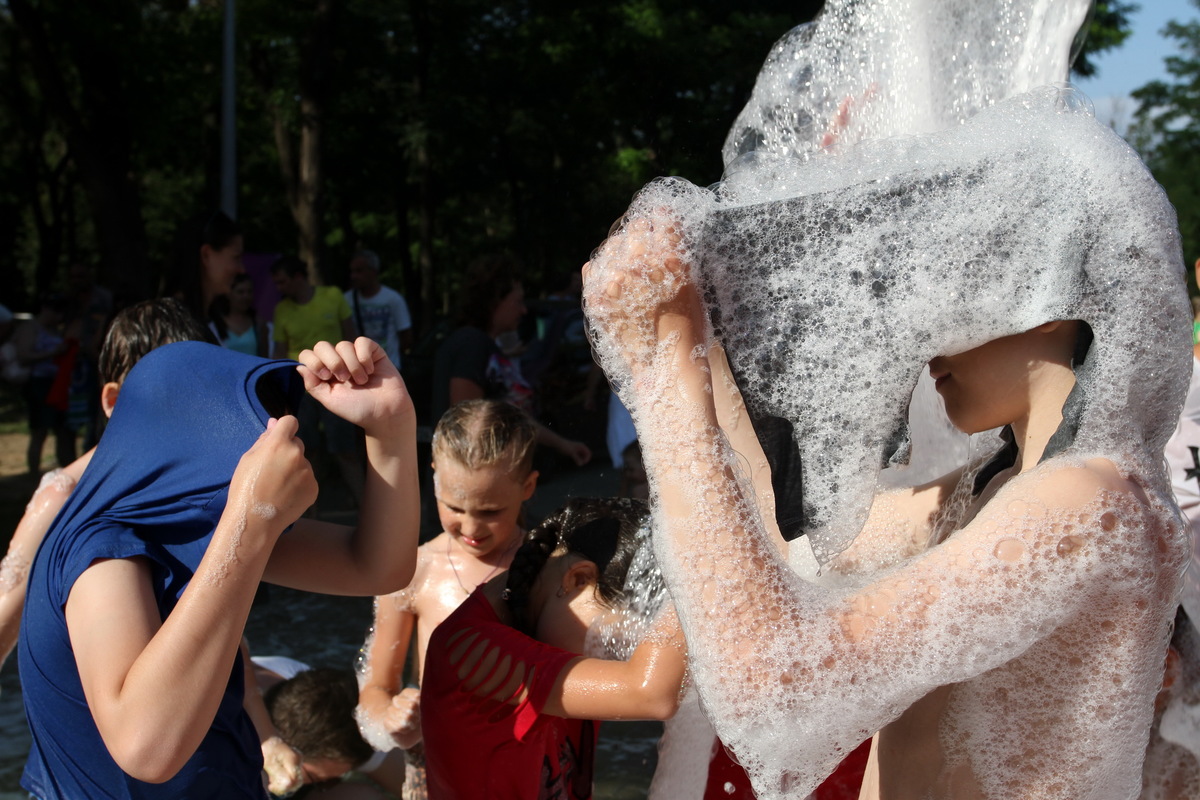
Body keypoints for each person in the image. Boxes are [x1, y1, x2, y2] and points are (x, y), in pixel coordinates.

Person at [581, 206, 1189, 798]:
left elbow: (776, 686)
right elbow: (780, 535)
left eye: (945, 289)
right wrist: (692, 338)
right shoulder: (989, 490)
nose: (924, 339)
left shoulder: (1089, 503)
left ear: (1048, 296)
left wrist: (663, 370)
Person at [18, 335, 419, 799]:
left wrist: (390, 429)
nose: (268, 450)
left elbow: (375, 565)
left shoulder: (184, 523)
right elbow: (146, 747)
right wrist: (250, 522)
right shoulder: (103, 552)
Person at [418, 497, 686, 799]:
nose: (617, 661)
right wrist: (699, 562)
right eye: (613, 642)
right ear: (577, 579)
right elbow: (651, 694)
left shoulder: (549, 630)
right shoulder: (469, 648)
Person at [0, 299, 211, 674]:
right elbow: (3, 625)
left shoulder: (189, 485)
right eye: (171, 395)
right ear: (114, 400)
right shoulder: (63, 496)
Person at [357, 399, 539, 799]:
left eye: (491, 510)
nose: (471, 526)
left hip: (529, 764)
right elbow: (375, 688)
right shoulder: (413, 571)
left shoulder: (550, 568)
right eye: (454, 507)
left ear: (528, 487)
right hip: (435, 768)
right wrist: (390, 719)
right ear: (435, 477)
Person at [430, 253, 590, 467]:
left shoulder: (485, 346)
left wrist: (562, 444)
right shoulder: (472, 344)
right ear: (494, 300)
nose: (523, 310)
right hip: (472, 480)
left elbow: (508, 414)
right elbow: (465, 421)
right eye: (517, 302)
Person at [271, 255, 363, 509]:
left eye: (282, 282)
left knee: (345, 450)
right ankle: (308, 518)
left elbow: (351, 336)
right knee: (305, 452)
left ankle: (369, 510)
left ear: (298, 277)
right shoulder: (282, 309)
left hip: (337, 385)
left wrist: (356, 375)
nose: (278, 289)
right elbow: (279, 351)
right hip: (299, 388)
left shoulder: (333, 296)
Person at [244, 654, 406, 799]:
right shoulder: (227, 725)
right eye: (318, 781)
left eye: (328, 781)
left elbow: (419, 787)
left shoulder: (345, 719)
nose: (328, 785)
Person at [11, 292, 77, 475]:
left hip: (60, 385)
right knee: (40, 431)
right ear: (45, 308)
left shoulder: (57, 329)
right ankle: (33, 474)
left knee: (64, 430)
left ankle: (68, 473)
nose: (59, 315)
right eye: (55, 310)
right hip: (39, 385)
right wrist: (54, 353)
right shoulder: (31, 328)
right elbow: (23, 355)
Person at [164, 210, 245, 327]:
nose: (241, 269)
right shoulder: (171, 322)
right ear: (206, 255)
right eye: (236, 257)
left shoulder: (208, 318)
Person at [345, 249, 413, 370]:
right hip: (359, 368)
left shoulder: (393, 299)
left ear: (373, 271)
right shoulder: (347, 299)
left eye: (359, 271)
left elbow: (406, 335)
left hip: (390, 368)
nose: (353, 276)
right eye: (352, 271)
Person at [212, 273, 270, 357]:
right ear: (228, 294)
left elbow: (265, 357)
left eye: (249, 291)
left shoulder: (259, 324)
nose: (245, 296)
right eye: (240, 292)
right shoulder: (216, 324)